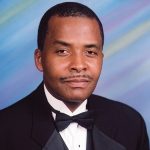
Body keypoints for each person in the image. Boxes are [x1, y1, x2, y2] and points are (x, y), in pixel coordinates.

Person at [0, 2, 149, 150]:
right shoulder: (4, 129)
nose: (78, 65)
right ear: (40, 60)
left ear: (101, 59)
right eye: (62, 51)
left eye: (90, 52)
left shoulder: (131, 124)